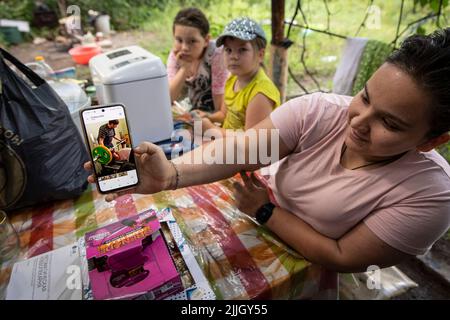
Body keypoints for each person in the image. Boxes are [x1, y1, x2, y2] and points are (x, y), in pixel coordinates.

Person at [86, 28, 450, 279]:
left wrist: (265, 210)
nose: (357, 121)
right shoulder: (320, 111)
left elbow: (341, 256)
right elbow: (246, 148)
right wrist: (171, 175)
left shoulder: (430, 195)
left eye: (390, 123)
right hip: (255, 215)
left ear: (430, 141)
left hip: (302, 260)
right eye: (366, 97)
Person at [196, 17, 281, 133]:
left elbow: (250, 142)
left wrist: (211, 129)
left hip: (248, 149)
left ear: (260, 55)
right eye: (228, 50)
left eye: (242, 50)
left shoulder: (260, 93)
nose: (233, 56)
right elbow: (224, 114)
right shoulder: (232, 79)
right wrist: (207, 117)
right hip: (229, 144)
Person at [167, 7, 229, 112]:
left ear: (206, 40)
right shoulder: (176, 55)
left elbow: (220, 108)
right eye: (179, 40)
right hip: (194, 107)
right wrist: (184, 69)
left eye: (192, 41)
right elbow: (168, 98)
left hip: (218, 111)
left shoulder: (215, 54)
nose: (184, 48)